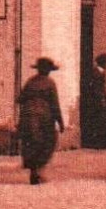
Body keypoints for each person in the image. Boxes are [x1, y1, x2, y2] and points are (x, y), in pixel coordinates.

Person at [18, 57, 64, 185]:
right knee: (48, 142)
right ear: (48, 70)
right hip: (44, 117)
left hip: (27, 116)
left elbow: (20, 99)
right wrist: (60, 121)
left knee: (31, 143)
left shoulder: (30, 81)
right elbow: (55, 104)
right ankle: (39, 171)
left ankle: (33, 172)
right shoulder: (50, 83)